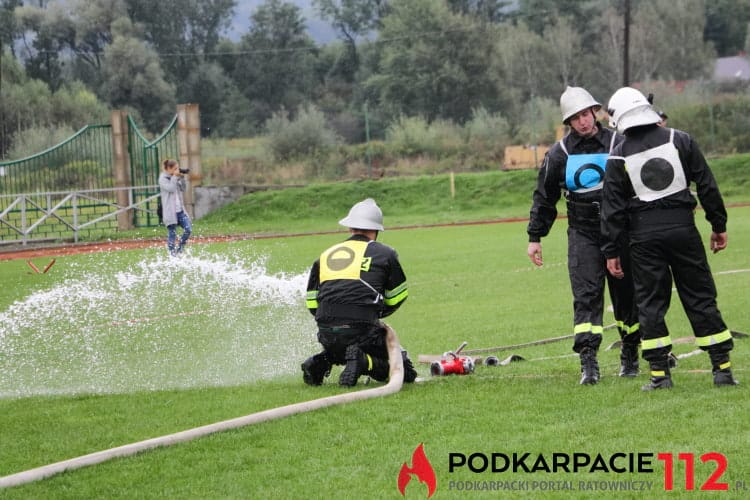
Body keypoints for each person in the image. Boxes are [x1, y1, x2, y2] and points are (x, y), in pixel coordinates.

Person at [601, 86, 738, 390]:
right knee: (700, 295)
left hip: (643, 237)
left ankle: (660, 375)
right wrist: (718, 225)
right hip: (683, 230)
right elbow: (706, 184)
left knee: (650, 303)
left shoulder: (618, 154)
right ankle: (722, 369)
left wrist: (611, 250)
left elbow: (612, 208)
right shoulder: (680, 139)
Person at [526, 86, 640, 385]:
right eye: (575, 118)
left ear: (595, 112)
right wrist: (535, 236)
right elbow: (544, 197)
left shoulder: (619, 142)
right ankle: (588, 361)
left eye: (585, 114)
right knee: (586, 296)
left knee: (627, 294)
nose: (583, 122)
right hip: (583, 232)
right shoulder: (559, 153)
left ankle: (630, 352)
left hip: (621, 231)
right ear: (569, 122)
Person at [301, 198, 418, 387]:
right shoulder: (385, 253)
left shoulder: (326, 254)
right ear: (376, 230)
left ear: (350, 228)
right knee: (405, 372)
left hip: (326, 333)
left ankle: (320, 362)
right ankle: (363, 362)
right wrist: (375, 313)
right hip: (362, 329)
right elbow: (397, 296)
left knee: (344, 342)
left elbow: (312, 303)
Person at [158, 158, 192, 256]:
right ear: (168, 168)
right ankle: (172, 254)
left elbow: (183, 189)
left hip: (180, 211)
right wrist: (175, 177)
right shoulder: (163, 179)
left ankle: (180, 248)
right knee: (172, 233)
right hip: (170, 212)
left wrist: (181, 177)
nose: (177, 170)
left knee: (188, 229)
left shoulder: (175, 177)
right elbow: (171, 188)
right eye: (175, 168)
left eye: (178, 168)